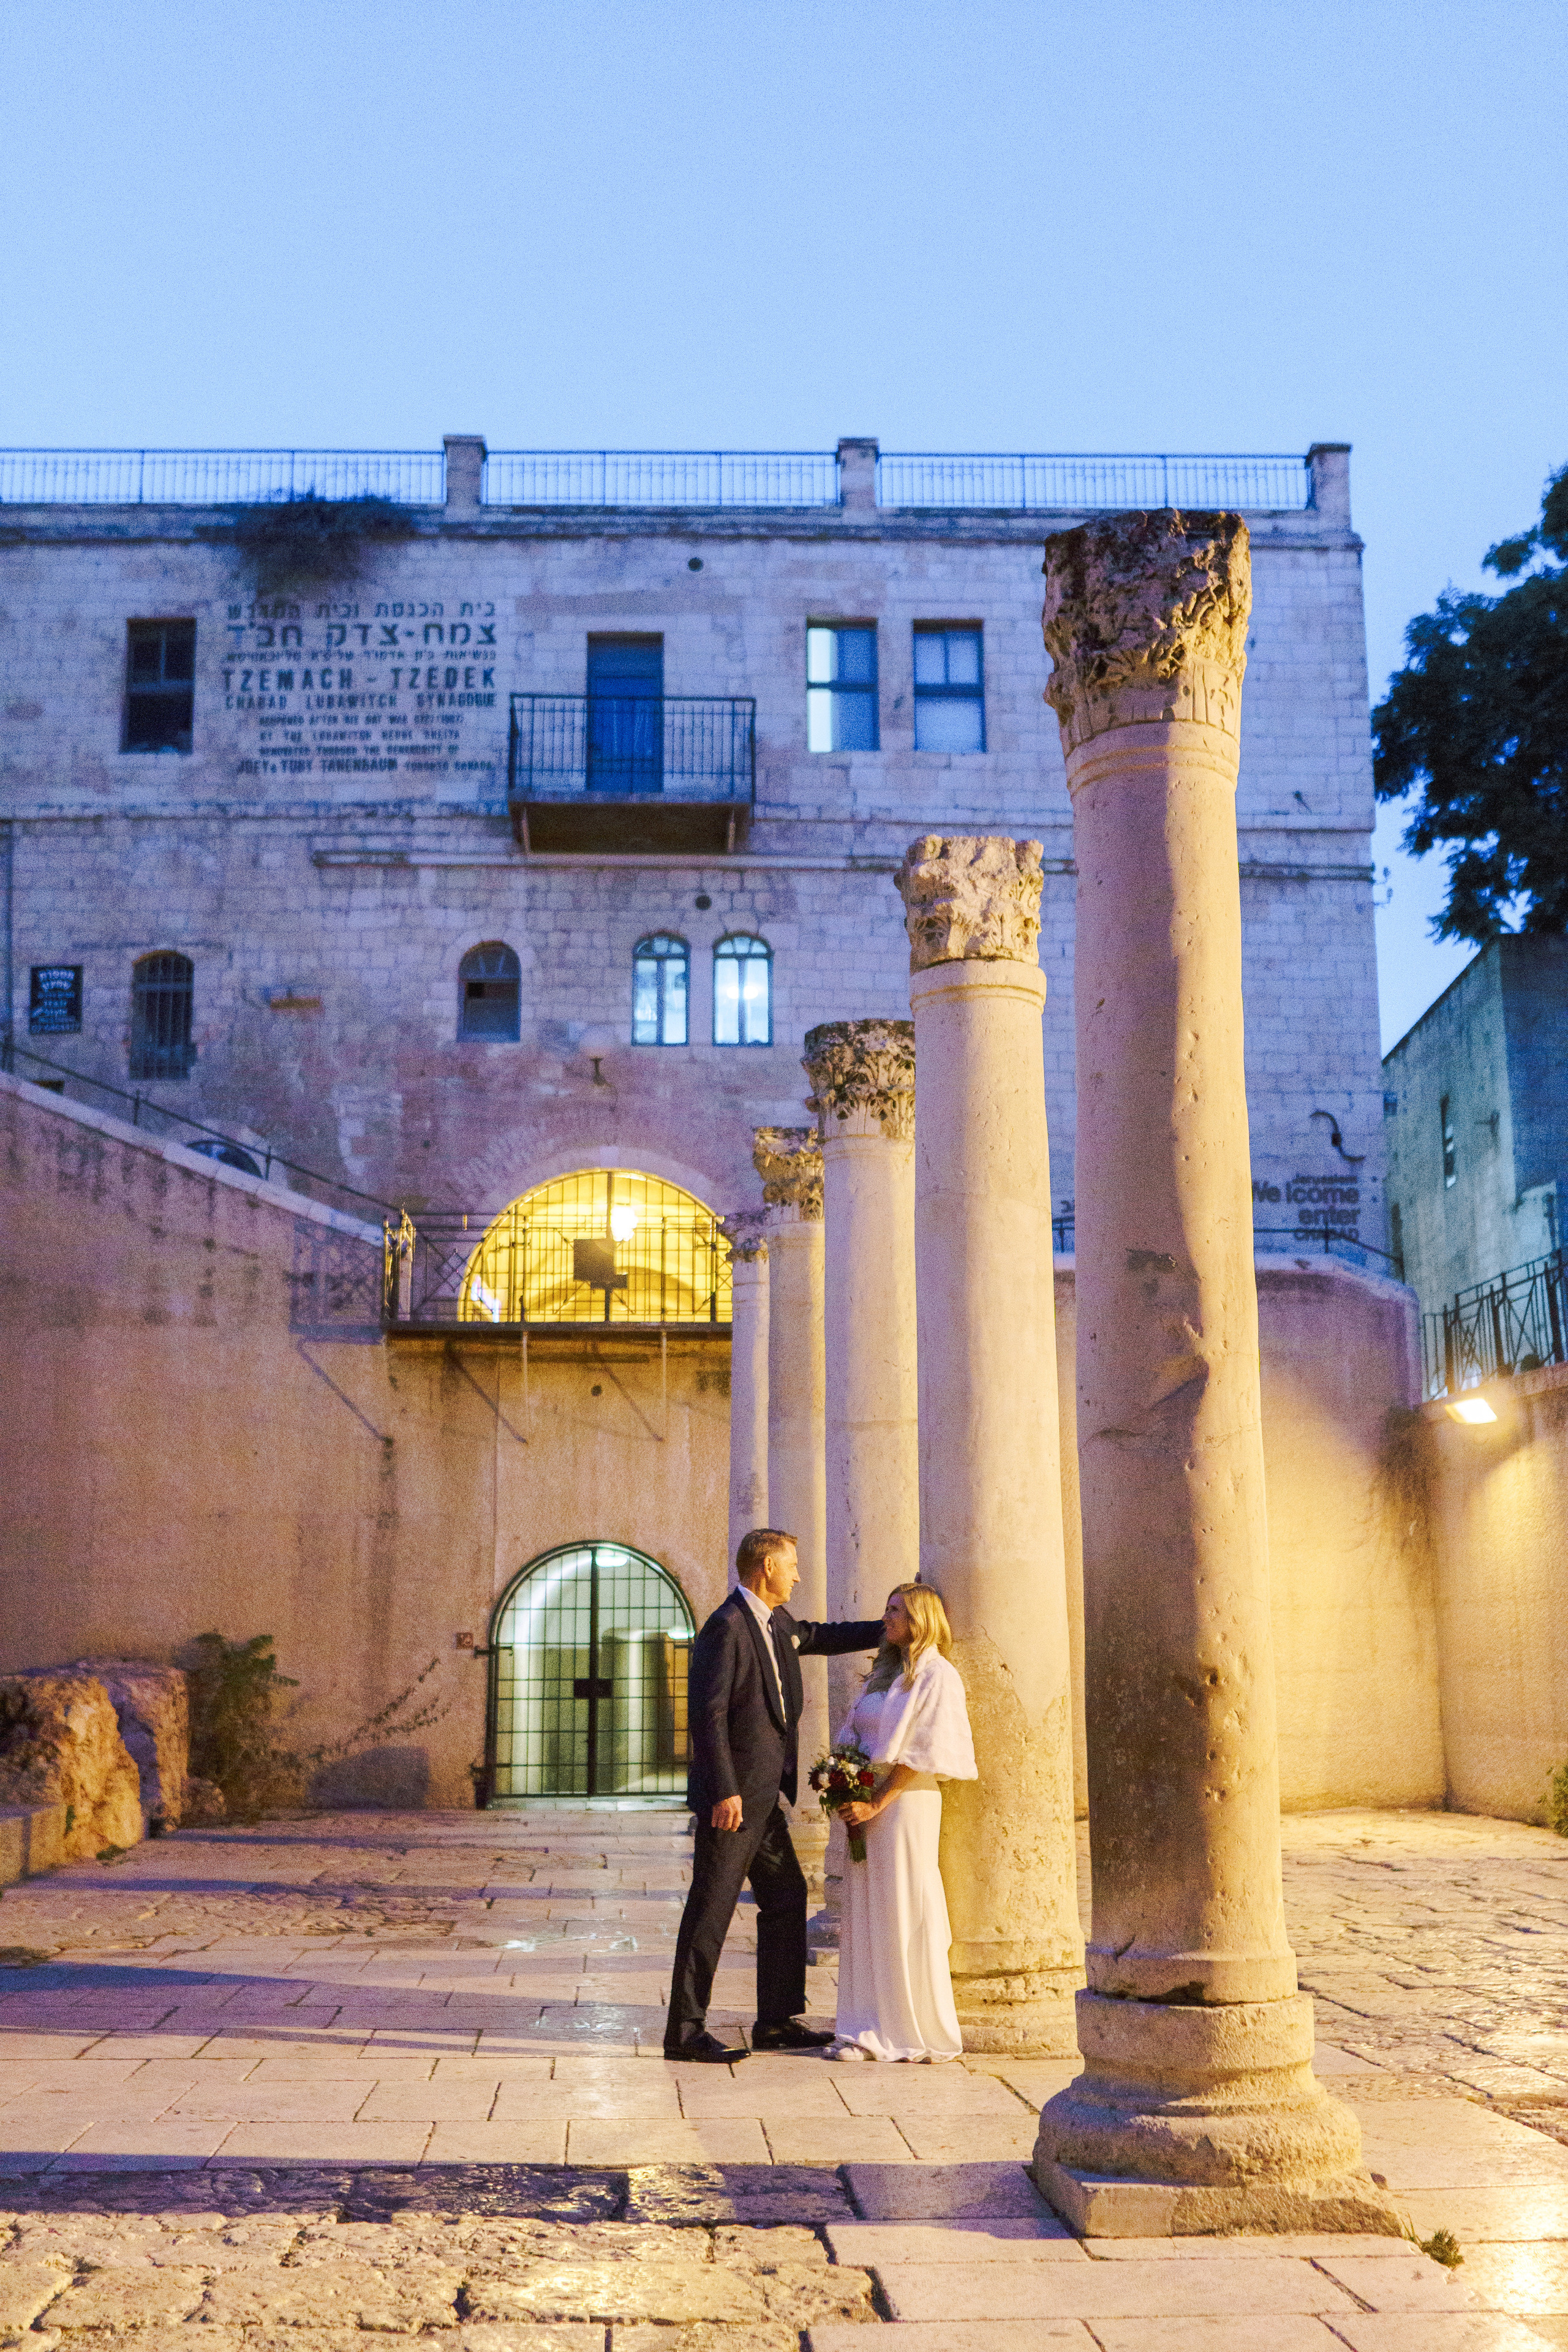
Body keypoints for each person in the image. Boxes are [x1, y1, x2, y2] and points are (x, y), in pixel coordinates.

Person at [664, 1526, 883, 2063]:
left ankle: (777, 2021)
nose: (798, 1574)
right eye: (792, 1565)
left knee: (786, 1899)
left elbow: (818, 1636)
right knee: (711, 1911)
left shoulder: (774, 1620)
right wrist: (724, 1790)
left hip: (765, 1802)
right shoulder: (726, 1626)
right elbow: (707, 1716)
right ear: (766, 1568)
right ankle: (685, 2032)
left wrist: (890, 1629)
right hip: (735, 1801)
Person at [830, 1581, 977, 2062]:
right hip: (865, 1804)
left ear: (920, 1619)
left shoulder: (938, 1675)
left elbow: (923, 1750)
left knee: (904, 1904)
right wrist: (843, 1786)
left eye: (896, 1610)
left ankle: (908, 2030)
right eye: (887, 1607)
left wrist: (878, 1802)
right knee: (867, 1911)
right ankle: (863, 2025)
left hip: (906, 1804)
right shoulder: (883, 1675)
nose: (887, 1617)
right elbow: (852, 1735)